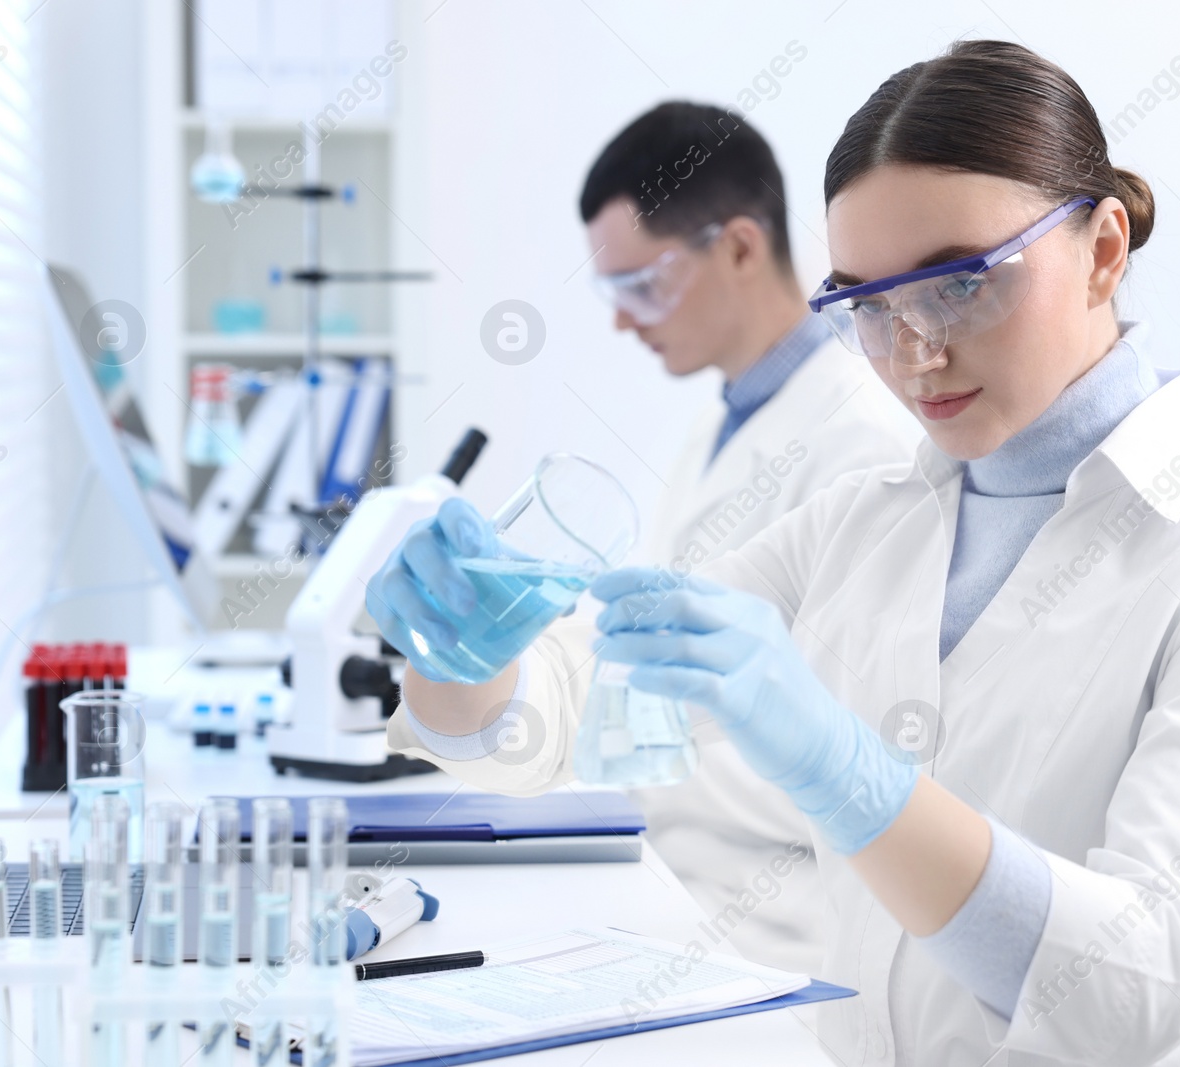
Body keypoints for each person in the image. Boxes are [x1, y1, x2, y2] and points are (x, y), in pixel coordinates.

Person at [373, 41, 1180, 1066]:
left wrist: (847, 772)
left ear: (1103, 249)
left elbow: (1132, 994)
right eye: (868, 307)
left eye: (960, 284)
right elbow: (559, 713)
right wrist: (461, 652)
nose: (914, 351)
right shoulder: (864, 518)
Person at [387, 102, 917, 976]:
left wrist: (594, 718)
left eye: (641, 285)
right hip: (677, 892)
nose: (624, 322)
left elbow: (849, 754)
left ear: (741, 248)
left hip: (775, 934)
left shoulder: (866, 443)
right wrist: (508, 671)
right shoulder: (725, 427)